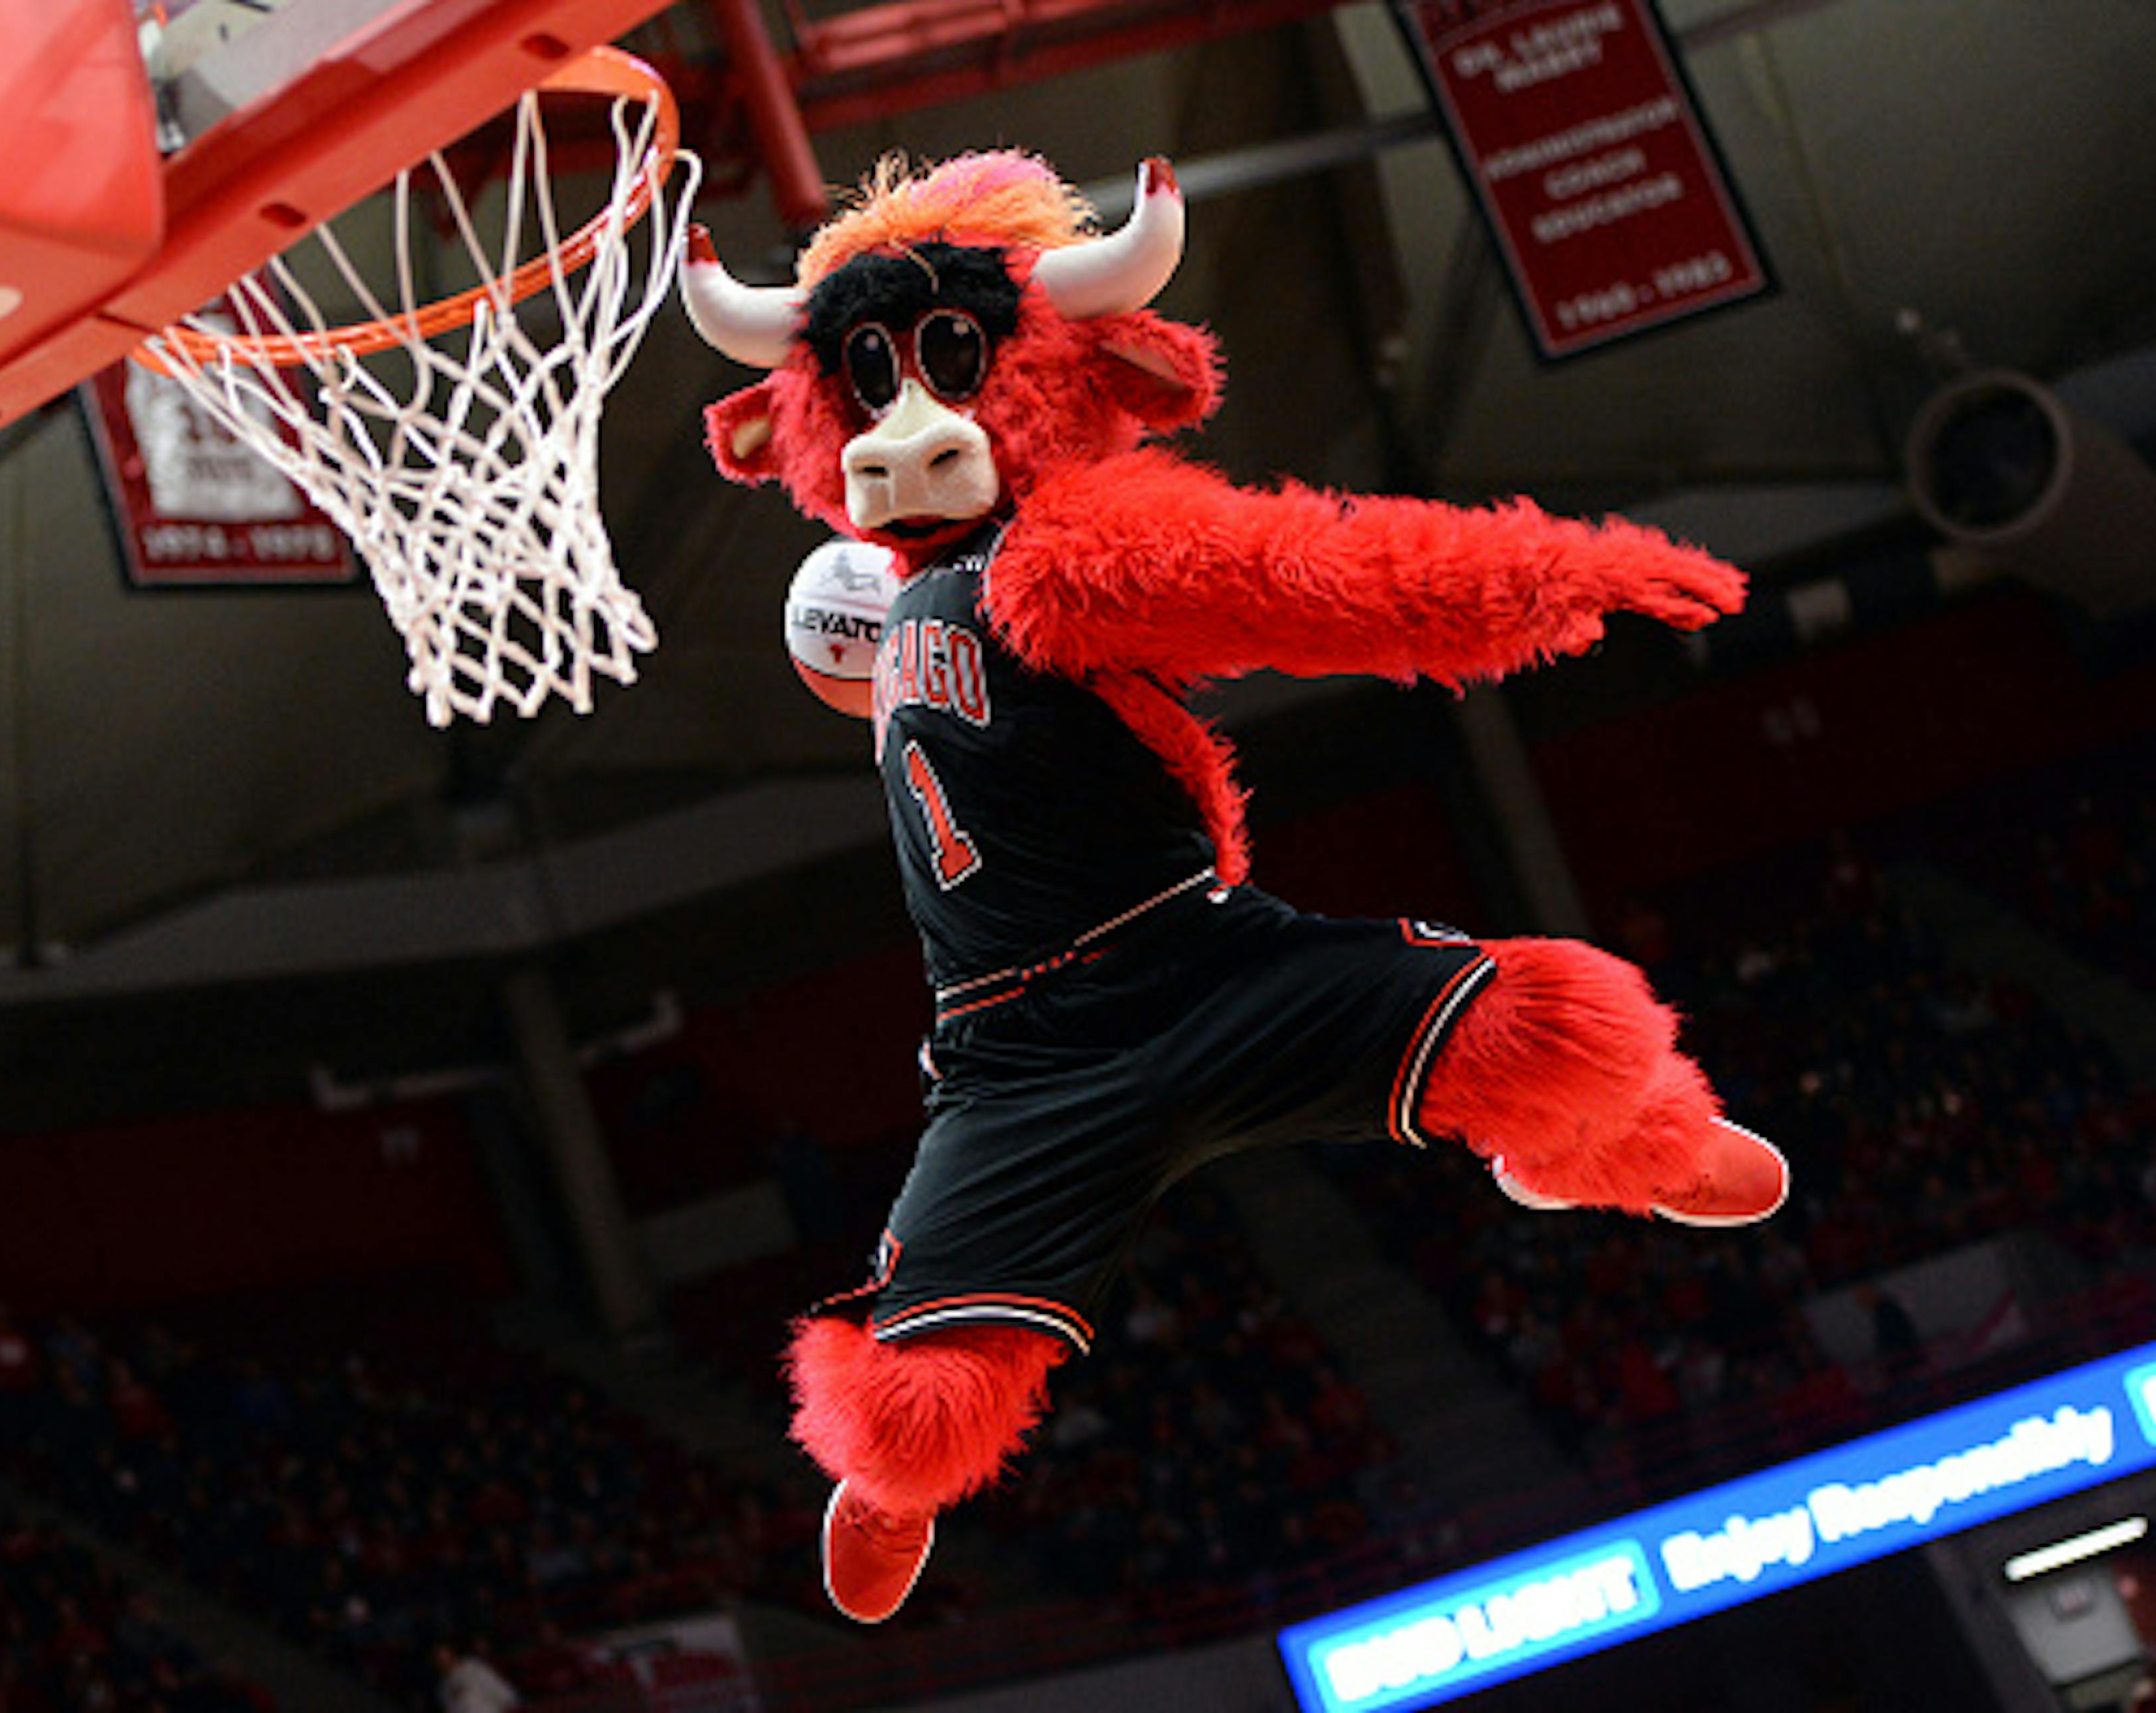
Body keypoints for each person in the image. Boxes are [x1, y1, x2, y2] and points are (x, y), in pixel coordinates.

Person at [682, 149, 1788, 1623]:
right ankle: (884, 1489)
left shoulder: (1065, 548)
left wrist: (1556, 569)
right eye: (868, 383)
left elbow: (1317, 575)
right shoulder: (879, 604)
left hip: (1203, 965)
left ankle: (1637, 1142)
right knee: (918, 1387)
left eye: (949, 365)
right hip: (1022, 1052)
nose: (906, 422)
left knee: (1537, 1018)